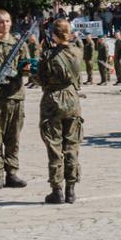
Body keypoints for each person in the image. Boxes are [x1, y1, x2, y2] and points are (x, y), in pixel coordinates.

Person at [0, 10, 35, 188]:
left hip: (15, 95)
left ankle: (12, 172)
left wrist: (26, 69)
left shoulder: (18, 43)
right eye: (1, 22)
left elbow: (27, 64)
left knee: (13, 137)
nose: (5, 25)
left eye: (7, 21)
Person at [36, 19, 84, 204]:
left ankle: (57, 190)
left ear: (54, 35)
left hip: (53, 101)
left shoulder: (48, 55)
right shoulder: (77, 52)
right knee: (71, 146)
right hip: (72, 99)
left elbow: (41, 78)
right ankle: (71, 189)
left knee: (55, 147)